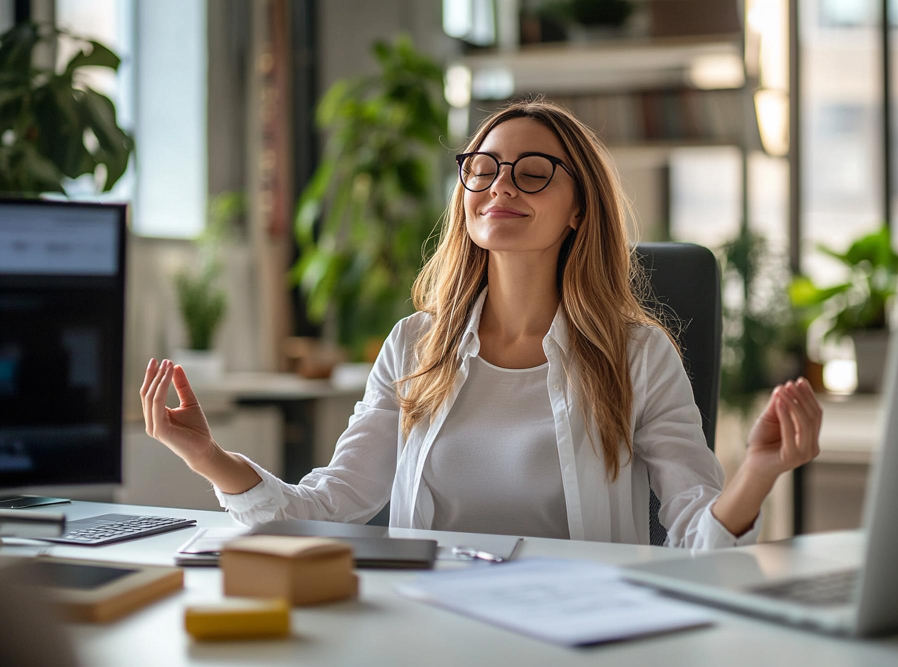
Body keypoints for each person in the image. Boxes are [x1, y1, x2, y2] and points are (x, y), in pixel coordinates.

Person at [140, 99, 821, 547]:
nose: (500, 186)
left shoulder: (636, 354)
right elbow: (329, 503)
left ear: (579, 209)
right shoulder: (415, 343)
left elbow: (698, 542)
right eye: (484, 170)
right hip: (430, 629)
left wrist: (757, 471)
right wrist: (207, 455)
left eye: (532, 174)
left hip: (582, 632)